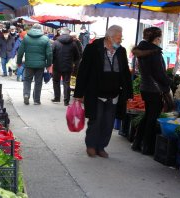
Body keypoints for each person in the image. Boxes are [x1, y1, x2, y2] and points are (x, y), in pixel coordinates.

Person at [73, 25, 133, 158]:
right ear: (108, 37)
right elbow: (84, 71)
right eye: (118, 38)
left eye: (120, 38)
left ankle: (101, 147)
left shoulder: (121, 51)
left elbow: (125, 73)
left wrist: (129, 93)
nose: (120, 40)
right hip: (96, 92)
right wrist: (79, 93)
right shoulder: (93, 49)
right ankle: (91, 145)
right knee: (96, 120)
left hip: (114, 93)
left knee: (108, 122)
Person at [131, 27, 171, 155]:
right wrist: (169, 82)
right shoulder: (154, 53)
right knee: (152, 118)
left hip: (145, 87)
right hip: (154, 89)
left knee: (148, 115)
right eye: (160, 37)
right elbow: (159, 74)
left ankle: (137, 143)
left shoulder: (142, 50)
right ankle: (146, 146)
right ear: (157, 38)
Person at [17, 23, 52, 105]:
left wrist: (19, 62)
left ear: (32, 29)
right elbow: (49, 54)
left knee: (27, 80)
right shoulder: (45, 39)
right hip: (40, 65)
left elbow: (20, 52)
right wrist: (48, 64)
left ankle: (26, 94)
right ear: (41, 29)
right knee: (38, 82)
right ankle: (36, 100)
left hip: (29, 64)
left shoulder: (26, 38)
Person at [52, 27, 80, 106]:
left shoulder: (56, 42)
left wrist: (52, 62)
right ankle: (66, 101)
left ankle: (57, 98)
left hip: (57, 66)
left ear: (61, 33)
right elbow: (77, 56)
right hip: (68, 66)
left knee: (56, 82)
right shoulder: (73, 43)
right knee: (66, 82)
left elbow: (51, 54)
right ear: (68, 33)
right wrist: (73, 62)